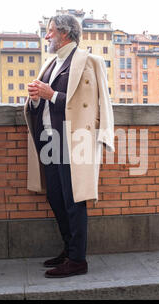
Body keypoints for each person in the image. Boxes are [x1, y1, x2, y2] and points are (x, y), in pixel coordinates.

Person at [25, 14, 115, 278]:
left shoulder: (88, 62)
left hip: (73, 141)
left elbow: (87, 105)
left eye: (50, 31)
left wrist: (50, 94)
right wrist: (35, 99)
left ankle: (77, 260)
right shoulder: (52, 63)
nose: (47, 36)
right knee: (55, 196)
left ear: (64, 33)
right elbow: (43, 102)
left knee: (74, 200)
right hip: (49, 140)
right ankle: (68, 250)